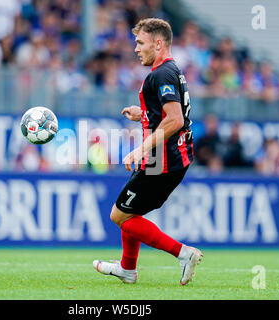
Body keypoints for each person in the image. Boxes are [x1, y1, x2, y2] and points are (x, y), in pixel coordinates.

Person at [93, 18, 203, 286]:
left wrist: (138, 150)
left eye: (140, 43)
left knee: (119, 215)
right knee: (131, 212)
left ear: (158, 43)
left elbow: (175, 120)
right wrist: (142, 115)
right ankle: (127, 269)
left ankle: (183, 253)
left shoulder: (162, 74)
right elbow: (168, 116)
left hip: (161, 161)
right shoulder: (171, 70)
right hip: (169, 158)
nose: (136, 49)